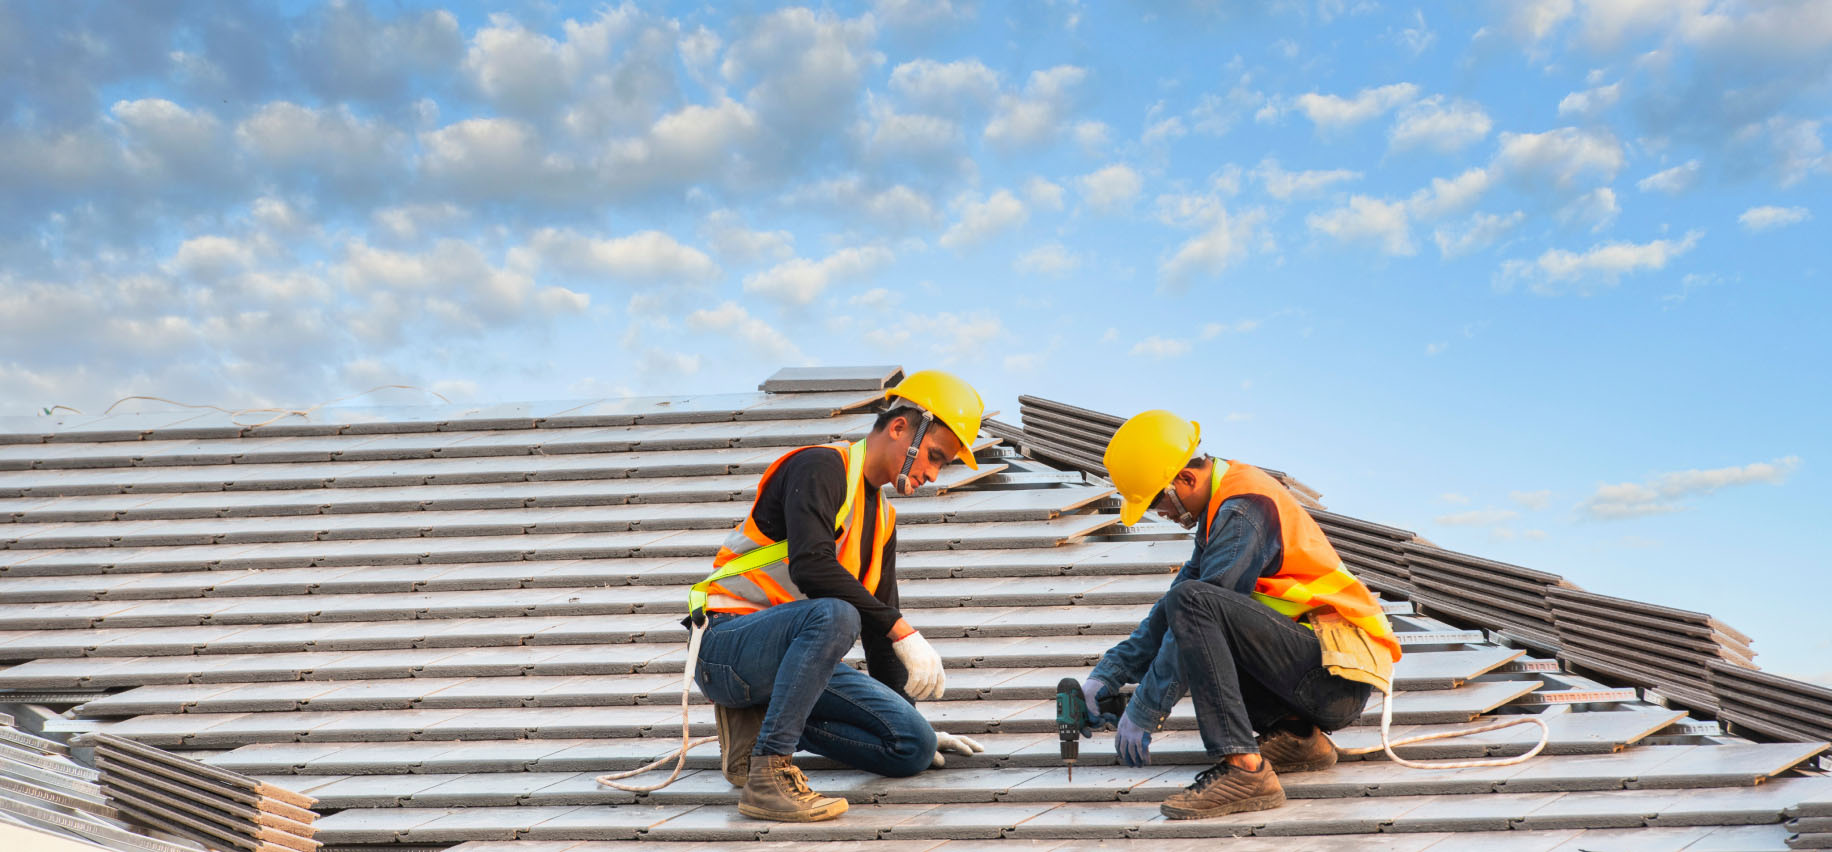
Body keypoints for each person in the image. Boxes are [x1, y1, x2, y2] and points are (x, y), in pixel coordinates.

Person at [684, 370, 988, 823]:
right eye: (934, 456)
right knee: (837, 614)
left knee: (912, 748)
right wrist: (901, 627)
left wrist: (905, 717)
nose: (931, 473)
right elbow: (812, 567)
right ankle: (768, 774)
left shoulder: (883, 520)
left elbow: (882, 637)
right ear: (900, 427)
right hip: (726, 647)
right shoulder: (821, 467)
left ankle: (759, 721)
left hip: (794, 662)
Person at [1081, 410, 1402, 819]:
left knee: (1196, 608)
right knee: (1190, 612)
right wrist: (1107, 675)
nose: (1158, 512)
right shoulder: (1221, 507)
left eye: (1156, 500)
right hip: (1315, 671)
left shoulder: (1244, 509)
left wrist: (1144, 710)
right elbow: (1172, 611)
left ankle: (1244, 770)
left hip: (1335, 677)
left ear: (1186, 479)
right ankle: (1297, 736)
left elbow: (1195, 609)